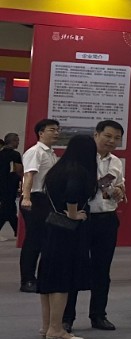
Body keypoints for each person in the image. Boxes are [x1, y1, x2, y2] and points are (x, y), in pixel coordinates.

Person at [64, 120, 125, 333]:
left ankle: (98, 315)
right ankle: (67, 317)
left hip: (107, 218)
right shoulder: (82, 158)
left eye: (116, 138)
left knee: (102, 269)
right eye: (108, 136)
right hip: (83, 219)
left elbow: (120, 185)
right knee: (74, 267)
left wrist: (119, 191)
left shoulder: (116, 162)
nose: (112, 141)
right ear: (96, 134)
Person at [36, 133, 95, 339]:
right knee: (62, 279)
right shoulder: (79, 172)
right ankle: (56, 328)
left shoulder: (57, 169)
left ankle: (46, 326)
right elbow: (72, 193)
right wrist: (73, 213)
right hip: (68, 232)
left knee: (49, 277)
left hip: (52, 226)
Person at [18, 118, 60, 293]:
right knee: (33, 240)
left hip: (46, 200)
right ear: (41, 133)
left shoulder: (51, 153)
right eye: (52, 129)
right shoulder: (35, 152)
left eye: (57, 129)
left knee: (45, 239)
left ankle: (41, 277)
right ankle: (27, 280)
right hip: (34, 199)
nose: (56, 132)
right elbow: (29, 175)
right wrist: (26, 197)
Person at [0, 133, 21, 240]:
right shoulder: (15, 155)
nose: (18, 143)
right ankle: (18, 231)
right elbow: (18, 170)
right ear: (12, 141)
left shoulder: (0, 154)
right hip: (10, 185)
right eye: (17, 140)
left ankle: (18, 231)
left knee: (9, 207)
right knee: (8, 208)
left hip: (1, 185)